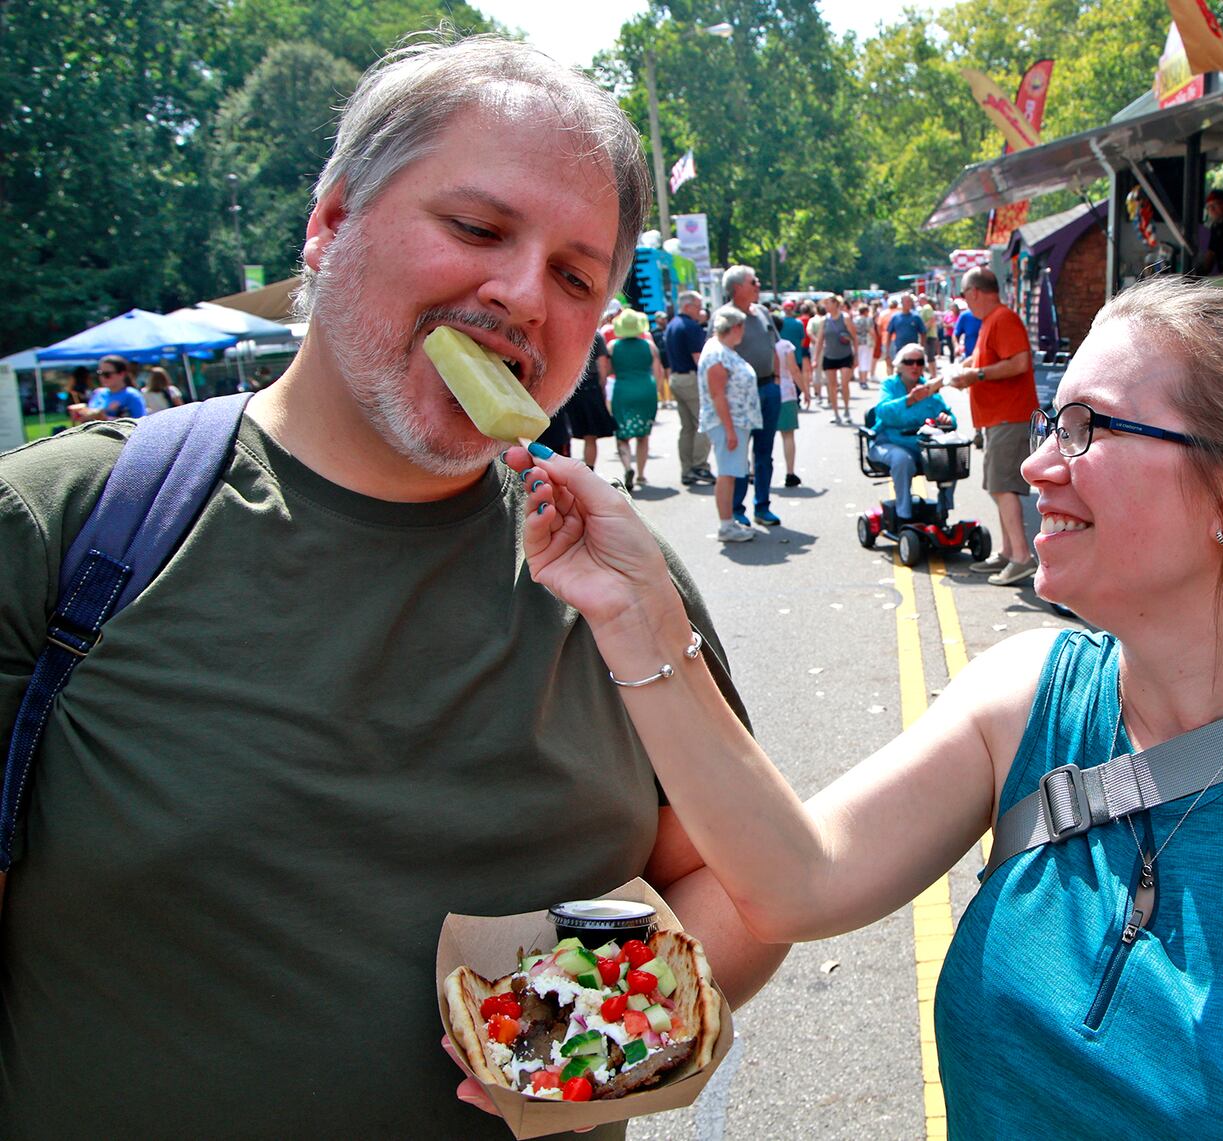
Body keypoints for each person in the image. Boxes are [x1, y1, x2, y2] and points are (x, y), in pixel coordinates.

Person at [511, 276, 1223, 1140]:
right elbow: (793, 880)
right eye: (1050, 420)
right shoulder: (1026, 694)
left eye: (1086, 428)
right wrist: (638, 612)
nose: (1039, 462)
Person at [0, 33, 786, 1138]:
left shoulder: (614, 577)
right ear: (329, 224)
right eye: (474, 228)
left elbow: (745, 887)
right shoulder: (61, 527)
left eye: (574, 275)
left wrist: (597, 1033)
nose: (521, 294)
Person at [947, 267, 1038, 586]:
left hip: (1009, 415)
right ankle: (1008, 551)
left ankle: (1021, 557)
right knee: (998, 486)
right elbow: (976, 359)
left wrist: (977, 375)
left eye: (964, 295)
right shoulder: (991, 321)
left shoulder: (1002, 318)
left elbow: (1019, 363)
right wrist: (960, 372)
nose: (964, 302)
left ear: (974, 292)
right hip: (999, 417)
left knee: (1002, 486)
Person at [722, 265, 782, 528]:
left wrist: (777, 380)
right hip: (740, 395)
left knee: (764, 452)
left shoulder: (762, 312)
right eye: (753, 281)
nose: (758, 285)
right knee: (739, 454)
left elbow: (775, 346)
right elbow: (716, 359)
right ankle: (736, 509)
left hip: (768, 388)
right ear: (737, 288)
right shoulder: (725, 317)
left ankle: (762, 506)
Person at [869, 343, 955, 526]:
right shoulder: (890, 385)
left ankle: (942, 512)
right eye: (909, 362)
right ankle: (903, 515)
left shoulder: (928, 387)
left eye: (919, 362)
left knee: (949, 457)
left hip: (920, 446)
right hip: (889, 442)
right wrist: (910, 399)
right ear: (899, 365)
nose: (914, 366)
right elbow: (882, 412)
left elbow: (949, 416)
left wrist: (946, 419)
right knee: (902, 459)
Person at [697, 304, 762, 543]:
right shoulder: (716, 353)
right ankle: (725, 525)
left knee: (731, 472)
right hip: (728, 422)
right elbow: (717, 394)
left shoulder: (720, 349)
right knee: (727, 473)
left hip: (734, 422)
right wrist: (730, 430)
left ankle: (729, 522)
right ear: (735, 327)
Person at [607, 308, 662, 490]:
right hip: (646, 390)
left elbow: (608, 371)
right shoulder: (649, 346)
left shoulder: (613, 347)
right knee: (643, 436)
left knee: (622, 434)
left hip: (623, 390)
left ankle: (627, 466)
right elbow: (658, 373)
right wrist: (658, 393)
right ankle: (640, 474)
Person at [664, 291, 714, 486]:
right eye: (698, 306)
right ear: (688, 306)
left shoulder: (672, 325)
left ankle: (687, 470)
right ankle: (700, 466)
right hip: (691, 380)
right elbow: (698, 359)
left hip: (676, 378)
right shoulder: (691, 327)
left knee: (687, 428)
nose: (700, 310)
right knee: (704, 423)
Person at [564, 330, 614, 468]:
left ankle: (565, 470)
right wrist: (602, 388)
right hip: (589, 387)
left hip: (566, 386)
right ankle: (589, 470)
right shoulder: (595, 335)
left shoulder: (564, 332)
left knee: (565, 435)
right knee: (590, 435)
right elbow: (602, 364)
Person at [67, 354, 146, 422]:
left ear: (122, 374)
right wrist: (81, 414)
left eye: (107, 374)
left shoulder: (131, 395)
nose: (102, 378)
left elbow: (140, 422)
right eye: (100, 373)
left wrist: (106, 418)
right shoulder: (99, 393)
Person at [817, 294, 855, 425]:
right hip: (829, 355)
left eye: (828, 303)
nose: (826, 306)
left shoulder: (845, 318)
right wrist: (816, 358)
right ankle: (836, 413)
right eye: (825, 303)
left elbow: (854, 337)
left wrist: (856, 356)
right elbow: (820, 340)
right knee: (831, 385)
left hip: (845, 355)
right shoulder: (824, 320)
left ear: (835, 304)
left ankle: (846, 409)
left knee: (844, 383)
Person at [773, 329, 803, 487]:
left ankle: (753, 473)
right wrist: (805, 389)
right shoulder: (785, 346)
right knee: (788, 435)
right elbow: (794, 370)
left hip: (761, 392)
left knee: (761, 438)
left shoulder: (756, 344)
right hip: (785, 392)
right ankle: (790, 473)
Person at [1198, 189, 1223, 276]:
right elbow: (1211, 252)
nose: (1211, 210)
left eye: (1215, 205)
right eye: (1208, 207)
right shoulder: (1216, 226)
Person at [886, 293, 925, 360]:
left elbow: (923, 332)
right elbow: (889, 333)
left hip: (913, 350)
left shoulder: (916, 317)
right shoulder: (895, 317)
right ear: (902, 303)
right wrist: (887, 350)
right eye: (907, 301)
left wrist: (921, 347)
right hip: (899, 349)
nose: (909, 303)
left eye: (910, 301)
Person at [851, 302, 875, 389]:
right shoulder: (868, 320)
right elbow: (871, 331)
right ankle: (864, 380)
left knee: (859, 361)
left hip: (856, 341)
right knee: (865, 361)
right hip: (866, 342)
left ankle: (860, 379)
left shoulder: (854, 320)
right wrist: (875, 340)